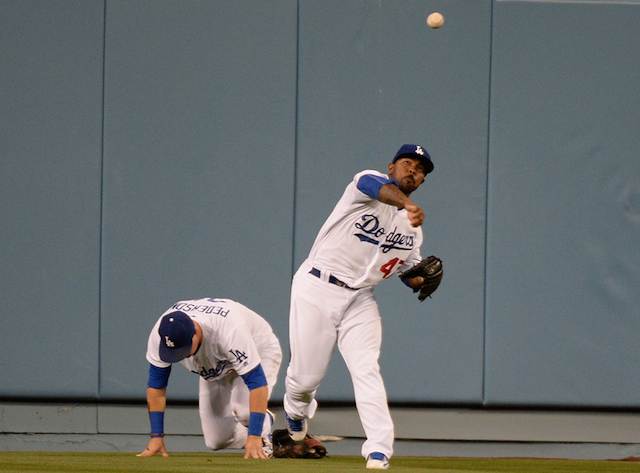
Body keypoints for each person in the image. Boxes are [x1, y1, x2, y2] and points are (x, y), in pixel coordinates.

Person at [283, 144, 435, 470]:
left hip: (360, 298)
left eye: (421, 169)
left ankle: (378, 452)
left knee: (366, 368)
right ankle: (295, 414)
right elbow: (374, 188)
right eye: (408, 163)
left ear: (423, 180)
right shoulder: (367, 184)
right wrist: (407, 203)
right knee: (305, 380)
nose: (414, 170)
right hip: (317, 286)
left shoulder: (413, 229)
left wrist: (422, 281)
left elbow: (407, 272)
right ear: (392, 167)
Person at [138, 297, 282, 459]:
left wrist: (255, 434)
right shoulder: (162, 333)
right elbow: (157, 387)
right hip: (218, 366)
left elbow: (257, 384)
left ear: (195, 332)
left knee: (244, 410)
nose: (180, 356)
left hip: (258, 349)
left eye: (183, 349)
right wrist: (156, 436)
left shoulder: (228, 330)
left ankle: (262, 432)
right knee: (216, 440)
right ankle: (263, 432)